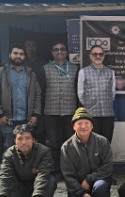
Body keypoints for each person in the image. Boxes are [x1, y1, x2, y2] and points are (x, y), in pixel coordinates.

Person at [0, 124, 56, 197]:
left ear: (33, 139)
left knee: (50, 180)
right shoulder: (10, 154)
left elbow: (43, 176)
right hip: (21, 186)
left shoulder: (44, 152)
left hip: (37, 184)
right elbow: (4, 176)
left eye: (27, 138)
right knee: (11, 180)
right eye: (20, 139)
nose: (24, 142)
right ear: (14, 140)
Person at [59, 107, 114, 197]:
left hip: (98, 181)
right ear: (74, 127)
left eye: (86, 123)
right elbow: (68, 175)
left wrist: (89, 179)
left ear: (92, 126)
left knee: (101, 186)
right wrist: (82, 193)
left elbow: (107, 167)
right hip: (79, 186)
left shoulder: (102, 142)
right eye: (79, 123)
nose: (83, 126)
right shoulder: (67, 147)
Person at [0, 43, 42, 156]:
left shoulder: (31, 73)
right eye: (15, 53)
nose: (18, 56)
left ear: (25, 56)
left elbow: (37, 95)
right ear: (9, 55)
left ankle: (25, 174)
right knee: (9, 149)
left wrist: (36, 114)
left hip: (26, 119)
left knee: (27, 148)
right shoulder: (1, 72)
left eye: (21, 54)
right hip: (7, 119)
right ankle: (10, 174)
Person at [41, 41, 79, 169]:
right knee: (54, 143)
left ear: (66, 52)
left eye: (62, 49)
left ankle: (69, 170)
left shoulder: (75, 68)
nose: (59, 52)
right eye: (56, 49)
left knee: (70, 143)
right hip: (51, 111)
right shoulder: (45, 68)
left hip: (70, 111)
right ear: (52, 52)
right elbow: (41, 90)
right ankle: (57, 170)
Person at [77, 44, 116, 142]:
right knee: (92, 143)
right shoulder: (83, 72)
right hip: (91, 115)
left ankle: (105, 158)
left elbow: (112, 93)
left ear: (104, 56)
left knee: (106, 142)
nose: (98, 56)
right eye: (95, 54)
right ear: (90, 56)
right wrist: (89, 105)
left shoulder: (111, 72)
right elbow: (80, 93)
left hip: (108, 114)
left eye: (100, 54)